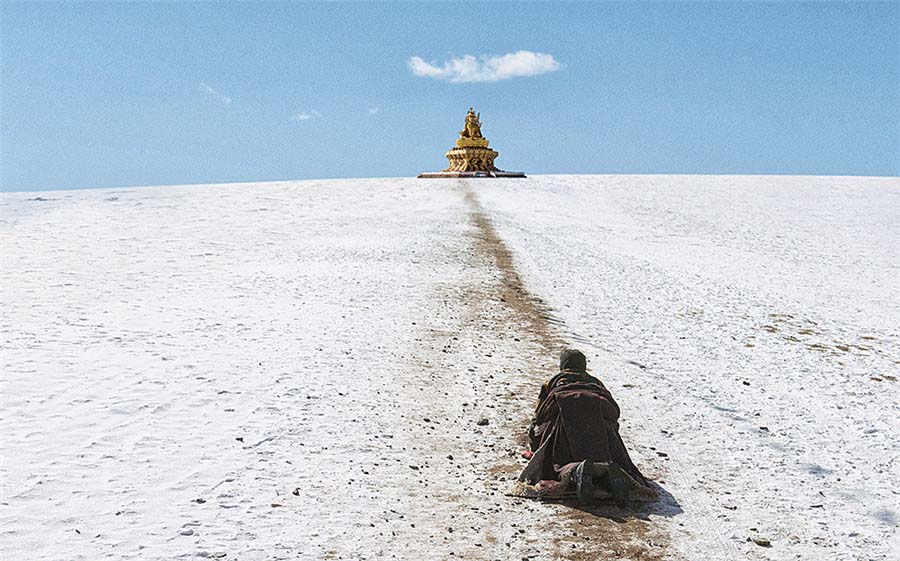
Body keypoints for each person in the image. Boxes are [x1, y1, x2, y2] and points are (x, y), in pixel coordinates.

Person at [518, 349, 651, 505]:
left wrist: (536, 446)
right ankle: (611, 476)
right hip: (600, 434)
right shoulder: (596, 383)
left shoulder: (551, 383)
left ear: (562, 366)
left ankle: (575, 472)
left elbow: (539, 417)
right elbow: (613, 414)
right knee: (605, 459)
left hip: (563, 433)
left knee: (557, 464)